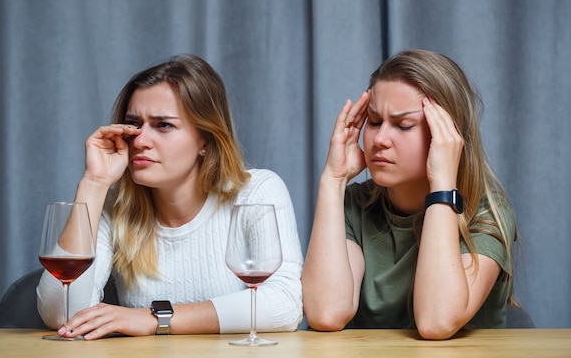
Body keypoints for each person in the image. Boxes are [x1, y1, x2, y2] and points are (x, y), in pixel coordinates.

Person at [37, 54, 303, 339]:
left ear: (206, 139)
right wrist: (94, 182)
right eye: (133, 124)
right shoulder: (114, 209)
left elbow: (285, 304)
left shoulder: (256, 192)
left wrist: (155, 319)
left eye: (163, 125)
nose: (140, 140)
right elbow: (60, 315)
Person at [301, 49, 517, 340]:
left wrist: (442, 184)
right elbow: (326, 313)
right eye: (374, 121)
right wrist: (333, 179)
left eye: (403, 125)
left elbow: (436, 322)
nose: (379, 140)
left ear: (447, 135)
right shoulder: (353, 203)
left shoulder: (487, 211)